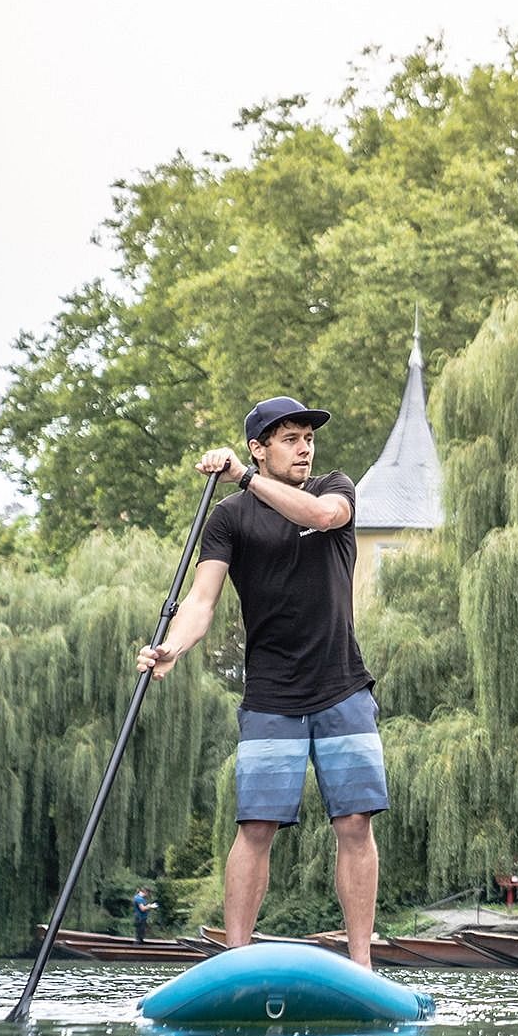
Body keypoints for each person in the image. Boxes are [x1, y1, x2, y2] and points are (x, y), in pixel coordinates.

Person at [136, 396, 388, 968]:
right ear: (260, 446)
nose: (304, 448)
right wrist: (171, 647)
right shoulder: (229, 519)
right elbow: (201, 602)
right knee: (256, 826)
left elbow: (323, 519)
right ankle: (234, 962)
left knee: (354, 822)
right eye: (290, 438)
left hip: (343, 686)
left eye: (308, 438)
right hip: (271, 695)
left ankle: (362, 964)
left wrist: (244, 477)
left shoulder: (335, 488)